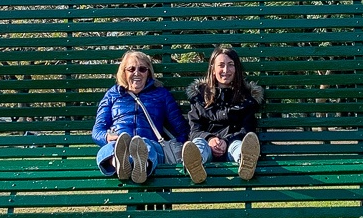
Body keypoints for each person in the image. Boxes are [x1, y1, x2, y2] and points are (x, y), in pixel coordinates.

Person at [92, 50, 189, 183]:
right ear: (124, 72)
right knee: (109, 148)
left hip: (151, 145)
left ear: (148, 73)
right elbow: (97, 130)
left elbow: (181, 128)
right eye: (131, 69)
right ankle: (120, 163)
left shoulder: (161, 94)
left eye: (142, 69)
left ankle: (141, 166)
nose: (136, 73)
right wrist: (106, 137)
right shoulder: (112, 95)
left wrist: (181, 149)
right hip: (119, 142)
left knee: (145, 145)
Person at [181, 45, 263, 183]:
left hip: (232, 145)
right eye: (221, 65)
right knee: (198, 144)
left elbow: (247, 129)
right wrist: (210, 139)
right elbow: (194, 130)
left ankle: (245, 162)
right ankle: (195, 165)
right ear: (213, 69)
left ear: (236, 69)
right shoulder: (199, 97)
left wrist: (226, 141)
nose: (226, 70)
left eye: (230, 65)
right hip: (207, 146)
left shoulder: (246, 98)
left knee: (239, 145)